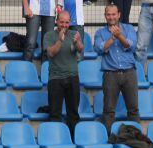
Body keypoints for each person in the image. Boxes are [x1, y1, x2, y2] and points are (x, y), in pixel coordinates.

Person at [94, 4, 139, 132]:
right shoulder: (100, 33)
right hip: (110, 74)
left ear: (119, 15)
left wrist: (119, 36)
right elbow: (100, 48)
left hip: (129, 73)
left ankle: (135, 137)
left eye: (114, 14)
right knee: (108, 110)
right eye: (108, 14)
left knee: (133, 109)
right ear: (105, 16)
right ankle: (109, 138)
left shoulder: (129, 28)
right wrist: (113, 37)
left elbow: (132, 46)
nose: (111, 17)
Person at [44, 12, 83, 140]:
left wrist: (77, 42)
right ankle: (56, 141)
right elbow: (51, 53)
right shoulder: (49, 35)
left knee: (73, 113)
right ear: (56, 21)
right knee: (55, 113)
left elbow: (81, 49)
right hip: (55, 78)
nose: (64, 25)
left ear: (70, 23)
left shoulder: (74, 34)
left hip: (73, 77)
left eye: (67, 22)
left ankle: (74, 140)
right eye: (62, 22)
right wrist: (60, 40)